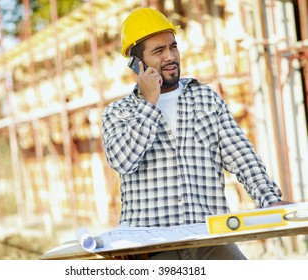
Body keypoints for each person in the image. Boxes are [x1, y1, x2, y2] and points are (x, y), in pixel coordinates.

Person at [101, 7, 291, 260]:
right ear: (137, 63)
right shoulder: (118, 112)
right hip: (150, 247)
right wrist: (149, 103)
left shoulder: (205, 97)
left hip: (209, 237)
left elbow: (241, 155)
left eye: (173, 47)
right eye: (158, 51)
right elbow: (122, 161)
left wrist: (270, 199)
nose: (170, 57)